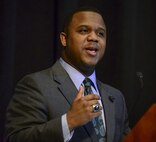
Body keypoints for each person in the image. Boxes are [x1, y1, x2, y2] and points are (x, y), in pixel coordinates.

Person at [5, 6, 130, 142]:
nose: (94, 37)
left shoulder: (116, 97)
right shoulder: (35, 85)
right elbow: (16, 138)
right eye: (84, 30)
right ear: (64, 39)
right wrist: (68, 122)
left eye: (100, 33)